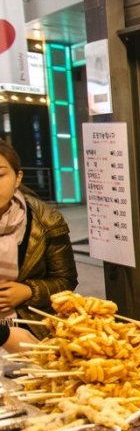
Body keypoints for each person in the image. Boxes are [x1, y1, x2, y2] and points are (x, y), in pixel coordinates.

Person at [0, 141, 78, 352]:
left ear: (17, 178)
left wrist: (28, 291)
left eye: (0, 175)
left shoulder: (46, 221)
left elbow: (66, 280)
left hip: (34, 334)